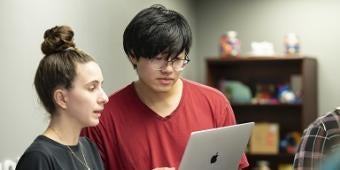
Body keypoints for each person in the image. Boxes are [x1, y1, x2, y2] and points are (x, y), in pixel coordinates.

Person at [82, 4, 248, 170]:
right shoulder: (103, 116)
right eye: (158, 58)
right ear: (133, 55)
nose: (168, 69)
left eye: (176, 60)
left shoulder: (215, 103)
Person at [16, 25, 109, 170]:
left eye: (101, 86)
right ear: (61, 98)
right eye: (92, 88)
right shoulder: (38, 158)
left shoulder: (89, 148)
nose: (104, 98)